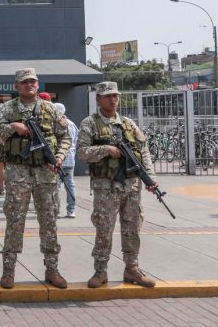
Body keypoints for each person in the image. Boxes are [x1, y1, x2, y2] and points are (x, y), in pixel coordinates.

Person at [0, 68, 71, 290]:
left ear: (38, 84)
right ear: (16, 86)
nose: (29, 85)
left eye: (33, 81)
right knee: (15, 220)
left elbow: (65, 137)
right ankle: (9, 271)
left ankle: (52, 269)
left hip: (46, 173)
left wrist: (60, 157)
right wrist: (11, 127)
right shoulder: (8, 109)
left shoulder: (50, 109)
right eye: (24, 82)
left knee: (49, 221)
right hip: (18, 172)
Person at [77, 81, 158, 288]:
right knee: (104, 229)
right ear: (98, 99)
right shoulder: (90, 123)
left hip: (131, 187)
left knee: (132, 229)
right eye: (108, 96)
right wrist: (105, 149)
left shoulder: (128, 124)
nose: (113, 100)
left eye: (115, 96)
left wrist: (150, 177)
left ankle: (132, 269)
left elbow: (144, 151)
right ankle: (100, 271)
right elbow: (81, 153)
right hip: (106, 187)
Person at [54, 103, 78, 218]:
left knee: (57, 186)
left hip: (58, 159)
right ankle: (71, 210)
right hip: (70, 159)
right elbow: (75, 140)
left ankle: (56, 210)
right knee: (70, 185)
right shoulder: (72, 124)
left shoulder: (56, 124)